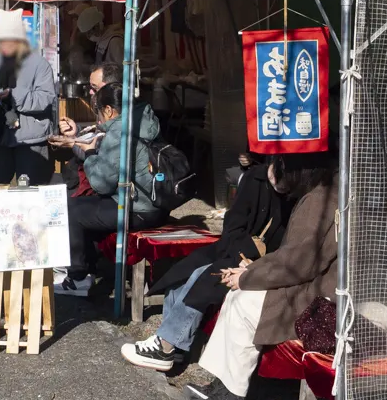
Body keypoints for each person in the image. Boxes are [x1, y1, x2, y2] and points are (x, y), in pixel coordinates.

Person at [185, 157, 339, 400]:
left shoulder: (321, 199)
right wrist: (251, 272)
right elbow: (296, 260)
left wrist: (247, 276)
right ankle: (224, 387)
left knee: (244, 302)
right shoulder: (332, 190)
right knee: (239, 296)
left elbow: (297, 263)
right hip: (322, 292)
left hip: (323, 304)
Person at [121, 156, 287, 372]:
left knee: (204, 279)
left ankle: (165, 345)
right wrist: (239, 252)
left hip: (268, 261)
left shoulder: (300, 193)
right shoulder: (254, 179)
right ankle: (173, 348)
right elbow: (234, 223)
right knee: (184, 271)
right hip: (236, 246)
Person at [55, 80, 167, 298]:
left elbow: (102, 183)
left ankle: (78, 277)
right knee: (83, 206)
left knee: (71, 210)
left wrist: (89, 154)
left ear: (108, 109)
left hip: (138, 208)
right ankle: (91, 267)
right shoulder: (145, 122)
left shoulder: (119, 132)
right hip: (155, 202)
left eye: (99, 110)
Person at [0, 9, 57, 188]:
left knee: (32, 196)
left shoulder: (39, 64)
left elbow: (46, 98)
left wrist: (14, 95)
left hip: (31, 140)